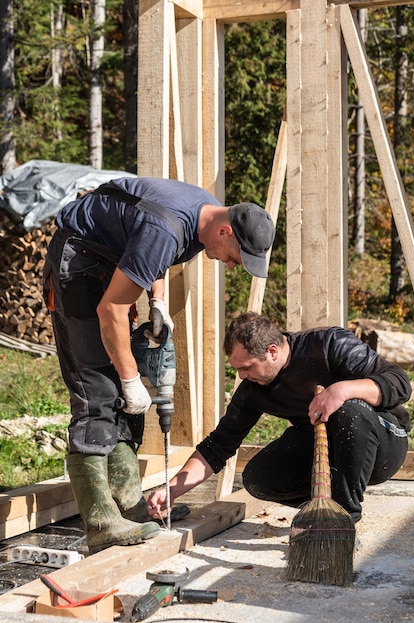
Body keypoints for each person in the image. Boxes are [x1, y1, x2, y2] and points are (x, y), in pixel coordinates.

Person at [42, 177, 275, 554]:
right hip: (78, 263)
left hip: (106, 261)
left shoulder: (202, 215)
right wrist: (131, 377)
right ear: (225, 230)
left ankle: (130, 507)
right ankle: (101, 522)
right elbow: (112, 308)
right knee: (97, 391)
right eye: (236, 256)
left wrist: (158, 301)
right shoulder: (167, 226)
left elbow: (154, 256)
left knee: (119, 394)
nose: (233, 266)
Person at [147, 311, 411, 524]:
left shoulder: (329, 344)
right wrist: (171, 490)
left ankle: (343, 518)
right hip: (328, 451)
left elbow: (400, 383)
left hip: (384, 444)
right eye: (237, 369)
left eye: (246, 367)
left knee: (349, 409)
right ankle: (323, 506)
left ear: (272, 351)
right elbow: (218, 446)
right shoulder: (253, 388)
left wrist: (343, 389)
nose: (240, 376)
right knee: (259, 478)